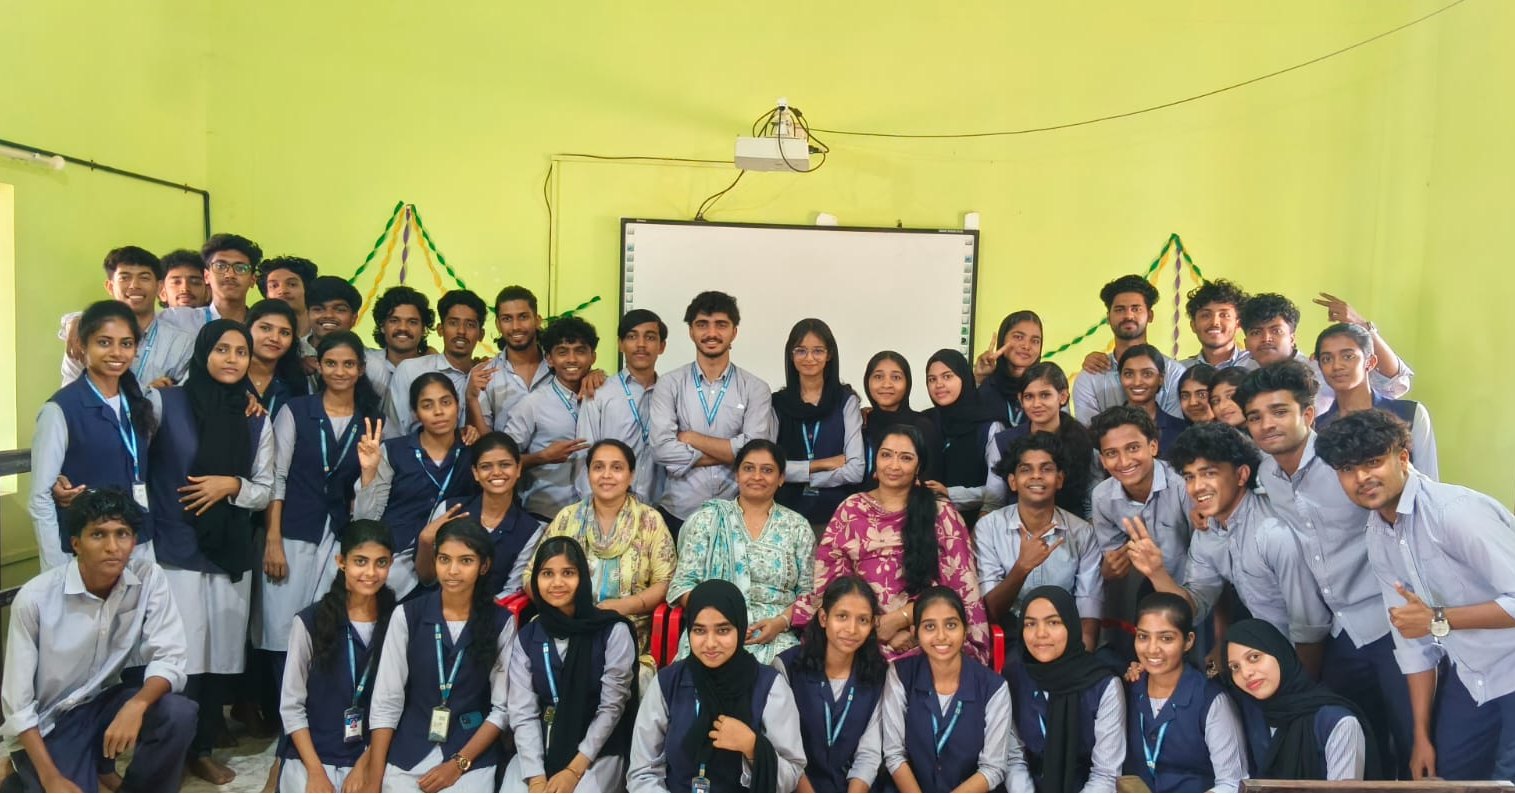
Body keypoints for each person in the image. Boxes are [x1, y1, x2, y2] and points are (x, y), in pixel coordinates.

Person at [1316, 410, 1515, 781]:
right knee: (1446, 780)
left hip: (1510, 664)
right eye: (1347, 468)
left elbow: (1432, 623)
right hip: (1473, 676)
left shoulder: (1453, 513)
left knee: (1506, 781)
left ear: (1403, 457)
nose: (1362, 478)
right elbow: (1412, 641)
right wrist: (1420, 737)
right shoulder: (1379, 534)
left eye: (1373, 462)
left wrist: (1439, 619)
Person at [1237, 361, 1414, 777]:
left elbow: (1412, 501)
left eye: (1279, 411)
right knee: (1358, 746)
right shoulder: (1267, 475)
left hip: (1392, 622)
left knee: (1413, 743)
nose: (1267, 424)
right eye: (1255, 417)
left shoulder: (1349, 462)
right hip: (1339, 633)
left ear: (1309, 413)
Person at [147, 320, 275, 784]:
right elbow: (135, 461)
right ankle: (169, 750)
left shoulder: (255, 417)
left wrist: (231, 485)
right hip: (176, 546)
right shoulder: (165, 402)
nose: (231, 359)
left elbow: (265, 488)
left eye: (241, 352)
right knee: (179, 653)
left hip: (229, 549)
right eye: (222, 349)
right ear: (203, 353)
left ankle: (201, 748)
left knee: (220, 655)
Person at [1, 489, 195, 793]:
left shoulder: (148, 578)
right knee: (57, 787)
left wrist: (137, 705)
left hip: (103, 702)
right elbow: (18, 705)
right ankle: (19, 773)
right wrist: (51, 778)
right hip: (51, 721)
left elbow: (169, 657)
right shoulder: (36, 599)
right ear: (76, 544)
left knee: (178, 713)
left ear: (134, 541)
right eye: (98, 535)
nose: (112, 547)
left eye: (122, 534)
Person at [1123, 423, 1332, 675]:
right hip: (1268, 659)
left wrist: (1300, 690)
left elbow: (1311, 628)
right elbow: (1194, 609)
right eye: (1189, 477)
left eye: (1209, 473)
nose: (1197, 487)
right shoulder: (1207, 534)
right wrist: (1157, 573)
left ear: (1242, 475)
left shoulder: (1272, 533)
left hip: (1316, 661)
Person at [257, 332, 385, 694]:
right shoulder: (296, 410)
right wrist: (273, 540)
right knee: (282, 628)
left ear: (361, 369)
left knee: (326, 626)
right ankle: (283, 714)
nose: (339, 371)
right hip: (293, 531)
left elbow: (371, 496)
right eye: (331, 363)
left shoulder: (371, 420)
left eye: (348, 364)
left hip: (339, 536)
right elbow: (276, 477)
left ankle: (317, 710)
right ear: (319, 366)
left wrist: (369, 472)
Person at [798, 424, 991, 663]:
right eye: (886, 455)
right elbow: (831, 586)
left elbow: (960, 587)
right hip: (859, 629)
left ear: (918, 467)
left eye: (906, 458)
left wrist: (903, 619)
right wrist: (876, 627)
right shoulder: (851, 510)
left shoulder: (942, 514)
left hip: (928, 630)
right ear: (876, 460)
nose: (894, 465)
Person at [367, 519, 514, 791]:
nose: (453, 571)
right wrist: (374, 779)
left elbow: (502, 709)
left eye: (465, 561)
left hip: (471, 755)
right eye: (444, 559)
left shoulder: (500, 622)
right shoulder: (408, 614)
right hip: (409, 749)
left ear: (484, 566)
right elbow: (386, 701)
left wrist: (458, 764)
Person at [627, 579, 806, 792]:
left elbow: (791, 777)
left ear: (740, 628)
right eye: (699, 630)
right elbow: (642, 772)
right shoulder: (668, 684)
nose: (710, 643)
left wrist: (752, 747)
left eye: (722, 630)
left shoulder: (769, 687)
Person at [31, 301, 160, 570]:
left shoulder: (139, 402)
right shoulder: (60, 409)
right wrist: (56, 567)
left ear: (136, 349)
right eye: (104, 342)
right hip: (86, 550)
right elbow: (40, 498)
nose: (116, 352)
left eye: (126, 344)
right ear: (82, 345)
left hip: (137, 543)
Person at [502, 537, 639, 792]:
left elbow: (612, 707)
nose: (557, 583)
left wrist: (574, 770)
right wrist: (536, 777)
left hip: (598, 749)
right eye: (547, 574)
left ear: (583, 577)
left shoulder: (612, 631)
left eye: (568, 573)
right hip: (539, 746)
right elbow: (523, 711)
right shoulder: (528, 636)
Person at [667, 439, 816, 665]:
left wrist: (780, 623)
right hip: (713, 629)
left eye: (767, 470)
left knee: (785, 670)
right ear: (736, 475)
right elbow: (683, 585)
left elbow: (809, 594)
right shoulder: (707, 520)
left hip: (776, 634)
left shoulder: (797, 527)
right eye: (748, 468)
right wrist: (720, 620)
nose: (757, 476)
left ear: (781, 478)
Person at [276, 519, 396, 793]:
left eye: (381, 563)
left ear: (391, 564)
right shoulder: (310, 621)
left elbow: (399, 705)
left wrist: (366, 764)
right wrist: (316, 772)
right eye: (360, 561)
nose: (371, 572)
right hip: (314, 753)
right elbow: (292, 705)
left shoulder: (399, 621)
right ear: (342, 562)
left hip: (374, 752)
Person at [537, 439, 676, 673]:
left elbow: (666, 582)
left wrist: (624, 606)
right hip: (567, 623)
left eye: (617, 468)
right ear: (588, 474)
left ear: (631, 475)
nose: (607, 475)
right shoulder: (567, 518)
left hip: (626, 628)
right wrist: (565, 605)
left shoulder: (650, 520)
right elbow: (532, 574)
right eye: (598, 467)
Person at [881, 586, 1034, 792]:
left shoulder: (994, 687)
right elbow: (894, 755)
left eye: (951, 625)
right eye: (929, 627)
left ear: (965, 631)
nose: (941, 636)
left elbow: (993, 768)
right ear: (915, 632)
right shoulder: (900, 675)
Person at [648, 291, 775, 534]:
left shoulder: (756, 388)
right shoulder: (669, 384)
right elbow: (661, 449)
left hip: (737, 515)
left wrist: (693, 439)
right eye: (702, 324)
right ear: (691, 332)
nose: (711, 333)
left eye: (721, 325)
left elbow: (755, 451)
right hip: (678, 514)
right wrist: (733, 454)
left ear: (734, 332)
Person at [355, 373, 478, 600]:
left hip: (447, 566)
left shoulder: (473, 452)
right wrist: (369, 472)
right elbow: (365, 519)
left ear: (458, 406)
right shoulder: (394, 450)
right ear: (415, 413)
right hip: (392, 563)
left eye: (446, 402)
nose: (438, 412)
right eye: (427, 405)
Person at [977, 433, 1102, 648]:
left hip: (1065, 640)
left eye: (1046, 469)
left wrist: (1084, 659)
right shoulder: (989, 528)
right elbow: (989, 612)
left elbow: (1088, 609)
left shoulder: (1082, 533)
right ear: (1013, 481)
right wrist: (1022, 567)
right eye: (1026, 469)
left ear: (1059, 479)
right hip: (1012, 639)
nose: (1036, 476)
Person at [1088, 406, 1194, 658]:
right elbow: (1112, 559)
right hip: (1147, 591)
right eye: (1111, 453)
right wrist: (1110, 567)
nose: (1124, 461)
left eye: (1133, 448)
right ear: (1102, 460)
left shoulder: (1183, 485)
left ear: (1153, 446)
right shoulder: (1102, 496)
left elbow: (1206, 556)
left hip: (1195, 587)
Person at [773, 575, 889, 793]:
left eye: (863, 620)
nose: (852, 629)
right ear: (824, 618)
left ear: (873, 624)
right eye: (842, 616)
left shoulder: (878, 675)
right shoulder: (787, 667)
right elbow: (782, 750)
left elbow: (869, 754)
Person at [1123, 593, 1248, 793]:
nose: (1152, 649)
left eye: (1166, 638)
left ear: (1188, 641)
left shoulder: (1210, 700)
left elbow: (1232, 783)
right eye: (1143, 637)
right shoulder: (1127, 690)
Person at [1006, 586, 1125, 792]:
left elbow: (1105, 775)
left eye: (1053, 622)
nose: (1040, 634)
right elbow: (1014, 760)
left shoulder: (1103, 685)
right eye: (1030, 624)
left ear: (1071, 625)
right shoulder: (1014, 676)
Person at [1224, 619, 1375, 781]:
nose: (1245, 673)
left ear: (1280, 654)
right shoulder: (1258, 717)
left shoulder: (1337, 721)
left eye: (1254, 657)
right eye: (1235, 667)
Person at [1240, 292, 1413, 414]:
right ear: (1246, 342)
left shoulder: (1321, 369)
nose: (1266, 339)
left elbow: (1394, 384)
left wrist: (1362, 325)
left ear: (1292, 338)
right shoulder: (1241, 375)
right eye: (1256, 332)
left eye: (1276, 331)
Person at [421, 433, 543, 600]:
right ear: (475, 472)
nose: (496, 472)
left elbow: (512, 591)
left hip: (490, 611)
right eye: (486, 467)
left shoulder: (530, 529)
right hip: (437, 603)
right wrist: (425, 541)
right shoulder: (450, 509)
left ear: (518, 468)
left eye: (505, 465)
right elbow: (427, 579)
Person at [1313, 322, 1438, 479]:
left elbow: (1430, 482)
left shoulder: (1410, 414)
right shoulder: (1318, 428)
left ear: (1370, 362)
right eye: (1327, 359)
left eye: (1348, 356)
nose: (1337, 365)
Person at [771, 318, 864, 526]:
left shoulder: (846, 401)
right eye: (801, 351)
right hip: (786, 517)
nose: (809, 358)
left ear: (829, 355)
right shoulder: (776, 404)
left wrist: (797, 474)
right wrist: (823, 464)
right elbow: (770, 466)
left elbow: (855, 471)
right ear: (791, 355)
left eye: (818, 351)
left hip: (838, 517)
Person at [58, 246, 195, 388]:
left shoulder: (181, 344)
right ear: (110, 287)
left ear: (159, 287)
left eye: (144, 278)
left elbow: (182, 396)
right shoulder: (84, 337)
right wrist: (147, 394)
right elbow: (71, 392)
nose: (134, 285)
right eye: (125, 277)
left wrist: (157, 396)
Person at [504, 316, 598, 520]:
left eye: (580, 351)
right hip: (545, 515)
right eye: (562, 352)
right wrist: (542, 457)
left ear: (593, 357)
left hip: (596, 515)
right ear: (549, 359)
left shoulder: (603, 397)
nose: (572, 359)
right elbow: (503, 459)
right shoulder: (532, 404)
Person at [574, 309, 668, 505]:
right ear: (620, 344)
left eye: (650, 337)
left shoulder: (671, 393)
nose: (641, 344)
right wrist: (595, 507)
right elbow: (584, 454)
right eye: (632, 337)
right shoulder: (598, 393)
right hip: (608, 506)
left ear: (661, 346)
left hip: (659, 508)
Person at [983, 361, 1098, 517]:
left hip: (1072, 527)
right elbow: (993, 503)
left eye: (1045, 395)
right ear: (1020, 399)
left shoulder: (1083, 439)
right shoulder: (1003, 441)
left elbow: (1091, 504)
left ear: (1063, 396)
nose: (1036, 404)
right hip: (1014, 526)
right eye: (1029, 397)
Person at [1074, 275, 1186, 421]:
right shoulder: (1091, 376)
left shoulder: (1174, 373)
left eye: (1136, 309)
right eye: (1119, 310)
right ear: (1108, 317)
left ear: (1150, 315)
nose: (1128, 315)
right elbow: (1088, 431)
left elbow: (1175, 429)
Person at [386, 289, 489, 437]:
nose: (461, 331)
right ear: (440, 329)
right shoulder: (411, 370)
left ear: (481, 334)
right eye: (453, 323)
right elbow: (395, 433)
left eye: (470, 325)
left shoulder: (489, 376)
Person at [921, 348, 996, 520]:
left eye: (947, 376)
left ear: (964, 378)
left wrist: (950, 493)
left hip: (975, 523)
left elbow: (997, 490)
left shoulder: (989, 426)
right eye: (932, 379)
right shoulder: (924, 421)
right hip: (926, 521)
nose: (939, 384)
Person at [474, 285, 553, 433]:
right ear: (498, 324)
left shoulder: (559, 367)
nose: (516, 326)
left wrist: (593, 374)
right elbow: (485, 439)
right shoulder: (486, 375)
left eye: (523, 317)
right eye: (507, 319)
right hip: (506, 449)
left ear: (537, 320)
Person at [859, 350, 942, 484]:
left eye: (896, 377)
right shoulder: (860, 423)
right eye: (878, 377)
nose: (886, 385)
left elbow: (930, 481)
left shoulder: (922, 427)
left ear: (907, 383)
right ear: (867, 381)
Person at [158, 233, 262, 330]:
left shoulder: (263, 326)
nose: (230, 275)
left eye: (241, 268)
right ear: (206, 276)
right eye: (220, 266)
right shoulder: (180, 321)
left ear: (253, 279)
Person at [973, 310, 1044, 429]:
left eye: (1035, 341)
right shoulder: (987, 386)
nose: (1026, 346)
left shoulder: (1048, 388)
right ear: (1002, 340)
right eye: (1018, 337)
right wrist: (978, 379)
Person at [1117, 344, 1188, 456]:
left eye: (1147, 374)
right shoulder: (1105, 427)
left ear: (1161, 379)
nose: (1137, 382)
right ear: (1120, 377)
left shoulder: (1182, 431)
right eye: (1129, 374)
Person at [244, 299, 310, 418]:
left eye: (284, 333)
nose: (274, 338)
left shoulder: (295, 381)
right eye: (265, 328)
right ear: (247, 328)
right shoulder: (229, 375)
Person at [367, 285, 434, 400]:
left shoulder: (434, 370)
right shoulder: (366, 363)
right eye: (394, 321)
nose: (403, 328)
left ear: (423, 329)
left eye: (412, 322)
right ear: (382, 326)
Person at [1182, 279, 1250, 369]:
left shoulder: (1255, 366)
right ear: (1193, 325)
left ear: (1238, 325)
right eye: (1205, 315)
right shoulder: (1180, 371)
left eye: (1224, 315)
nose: (1215, 322)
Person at [256, 255, 317, 341]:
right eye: (274, 286)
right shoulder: (257, 337)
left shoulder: (324, 333)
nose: (282, 291)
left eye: (292, 284)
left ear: (306, 290)